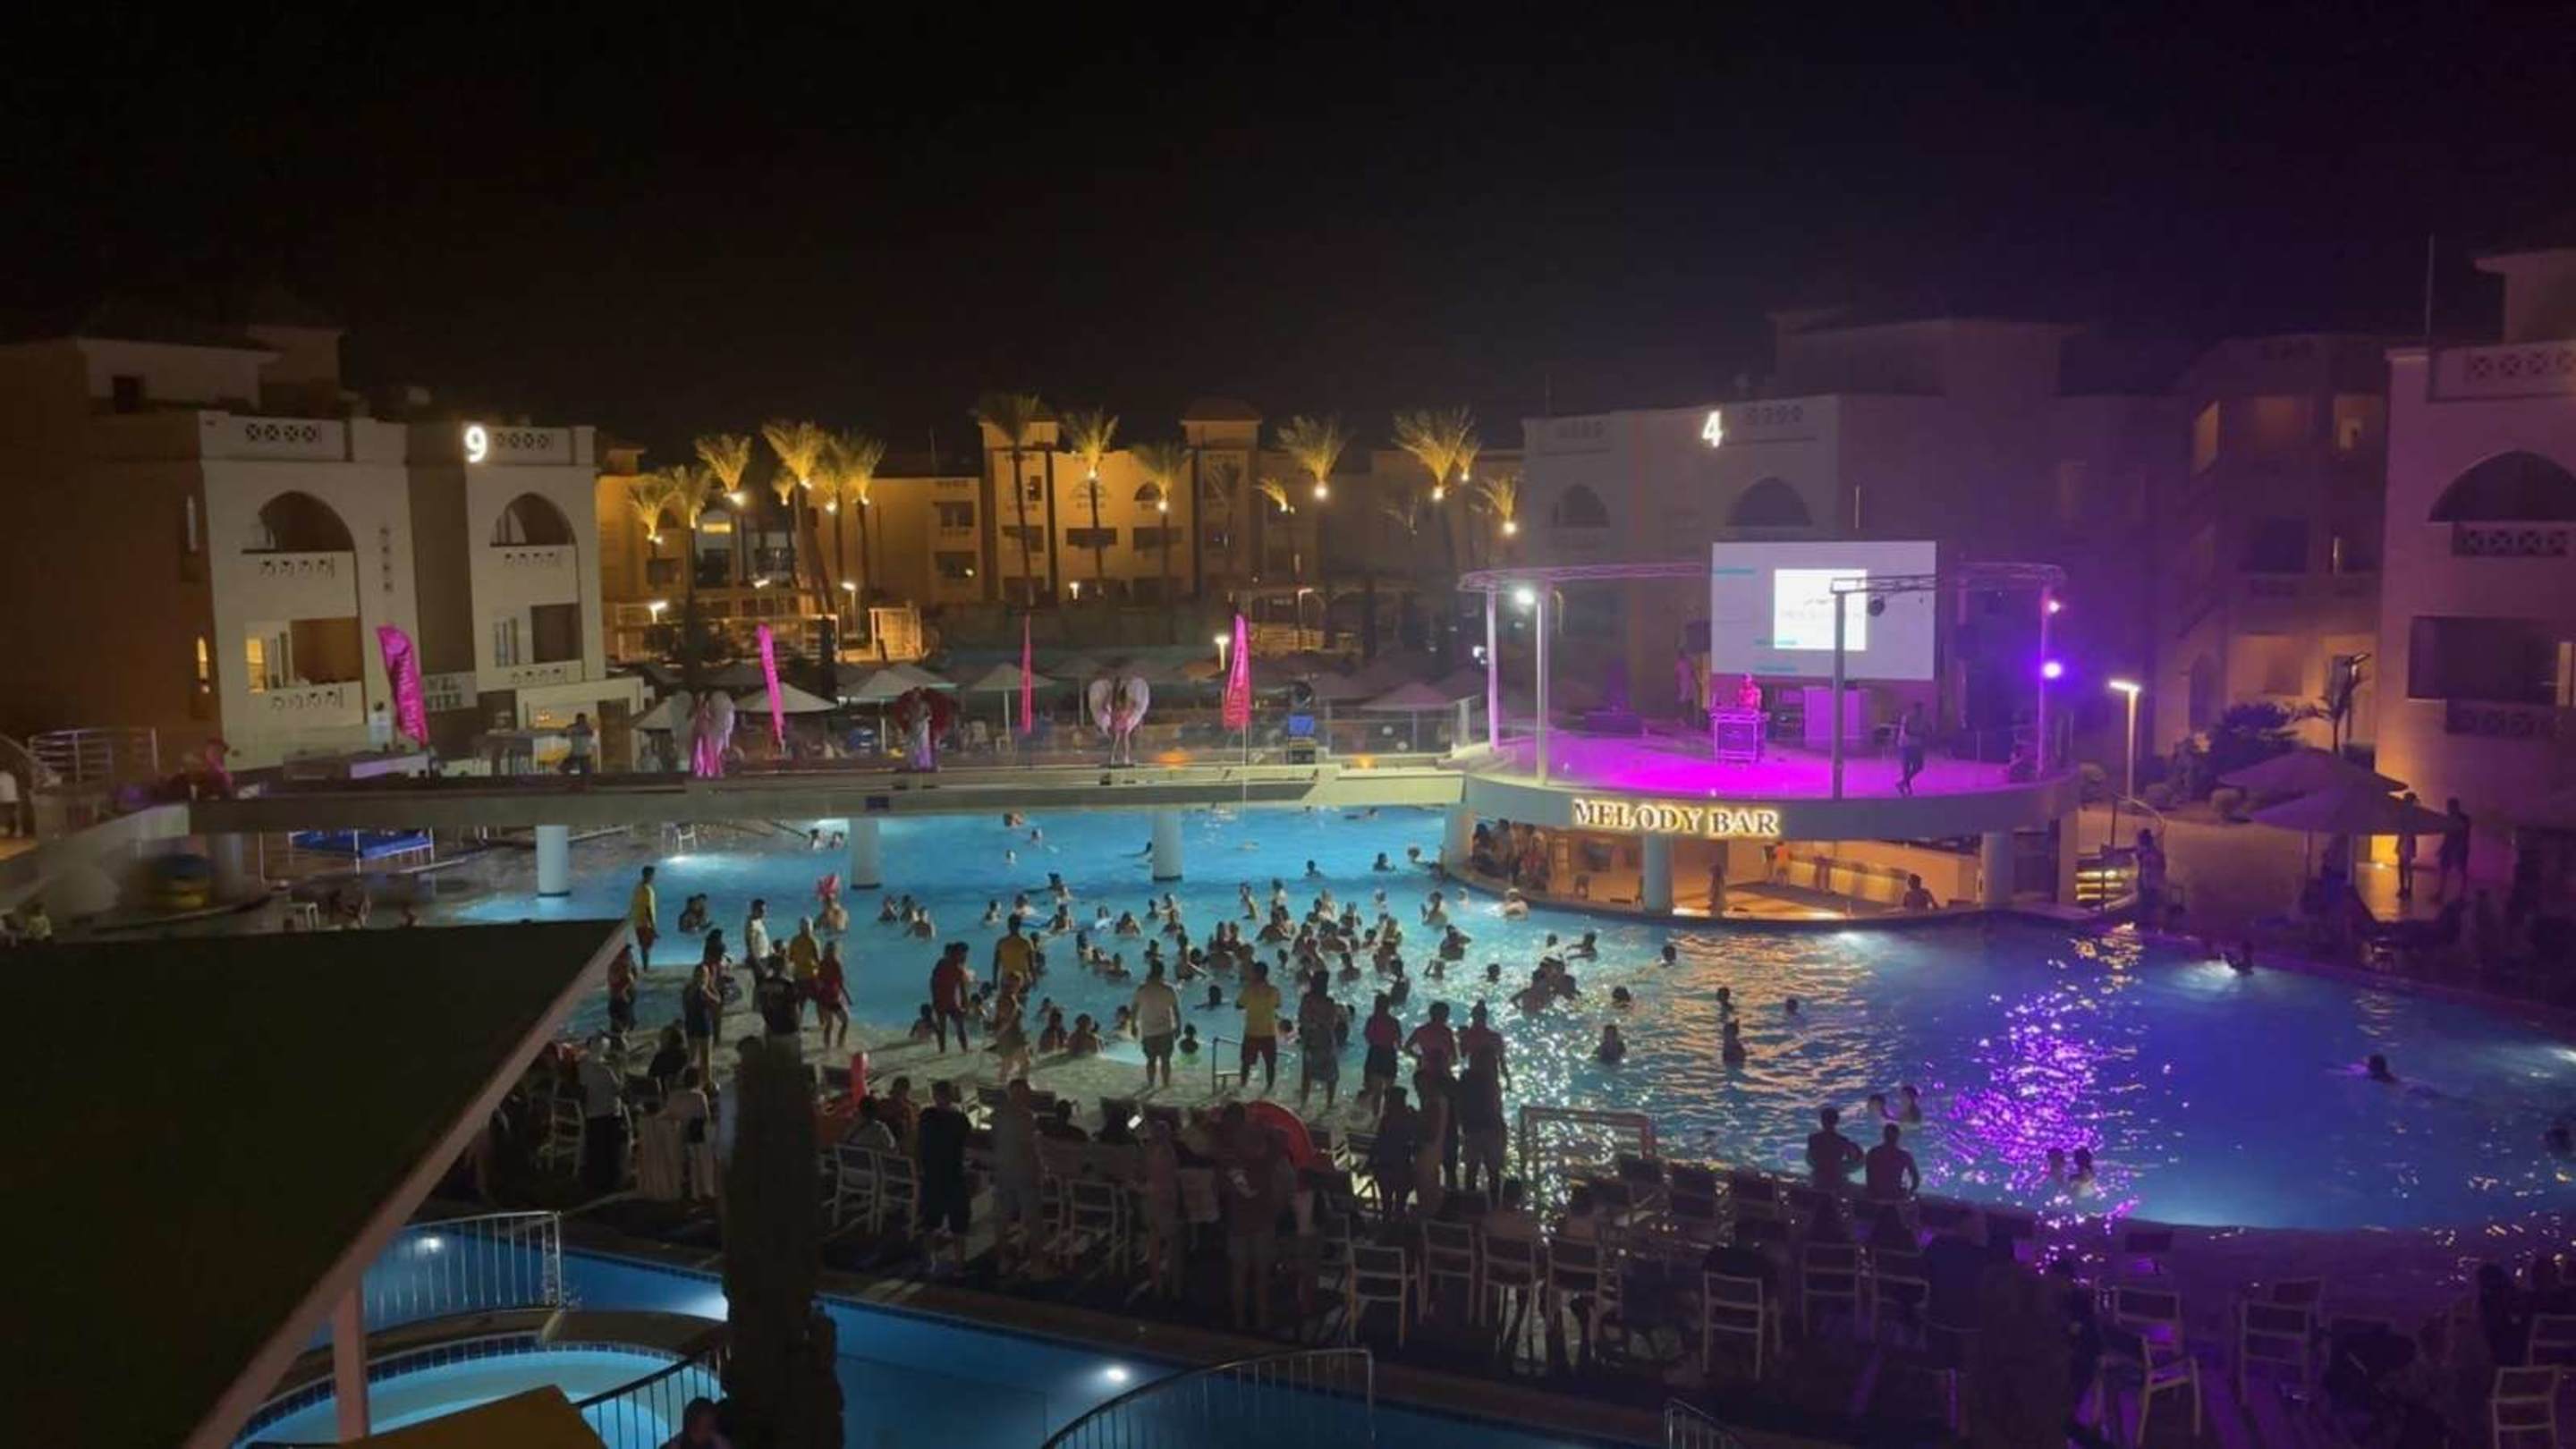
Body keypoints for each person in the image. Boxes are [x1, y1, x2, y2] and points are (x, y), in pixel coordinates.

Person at [989, 1080, 1045, 1276]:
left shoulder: (997, 1115)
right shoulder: (1026, 1117)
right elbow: (1029, 1148)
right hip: (1024, 1173)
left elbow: (994, 1141)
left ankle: (1002, 1260)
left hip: (1003, 1170)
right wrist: (1040, 1170)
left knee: (1002, 1219)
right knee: (1033, 1220)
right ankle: (1037, 1264)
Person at [914, 1079, 970, 1267]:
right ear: (952, 1096)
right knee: (959, 1227)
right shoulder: (960, 1120)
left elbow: (919, 1143)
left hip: (932, 1176)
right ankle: (959, 1265)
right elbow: (966, 1144)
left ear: (934, 1096)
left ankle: (930, 1263)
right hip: (954, 1176)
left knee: (929, 1224)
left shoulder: (926, 1117)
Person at [577, 1036, 627, 1195]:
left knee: (595, 1151)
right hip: (609, 1113)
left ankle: (594, 1181)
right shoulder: (607, 1071)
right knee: (611, 1149)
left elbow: (583, 1089)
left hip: (592, 1113)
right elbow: (619, 1091)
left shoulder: (583, 1066)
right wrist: (620, 1070)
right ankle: (611, 1180)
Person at [1457, 1046, 1508, 1195]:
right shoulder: (1490, 1080)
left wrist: (1461, 1124)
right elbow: (1496, 1107)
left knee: (1472, 1170)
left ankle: (1469, 1200)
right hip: (1490, 1129)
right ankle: (1494, 1202)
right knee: (1492, 1171)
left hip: (1474, 1128)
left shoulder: (1467, 1078)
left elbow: (1460, 1103)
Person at [1131, 959, 1182, 1090]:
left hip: (1148, 1031)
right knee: (1166, 1060)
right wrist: (1178, 1027)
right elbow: (1176, 1010)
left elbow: (1135, 1009)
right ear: (1163, 972)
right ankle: (1165, 1084)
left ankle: (1150, 1084)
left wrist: (1133, 1026)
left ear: (1150, 970)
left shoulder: (1142, 989)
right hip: (1166, 1030)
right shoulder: (1169, 989)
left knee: (1151, 1060)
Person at [1235, 962, 1283, 1093]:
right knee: (1270, 1064)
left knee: (1246, 1063)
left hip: (1251, 1032)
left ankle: (1243, 1087)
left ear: (1255, 973)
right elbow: (1278, 1005)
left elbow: (1238, 1005)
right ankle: (1269, 1089)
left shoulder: (1248, 990)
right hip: (1269, 1032)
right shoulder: (1274, 990)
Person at [1805, 1106, 1862, 1189]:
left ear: (1822, 1120)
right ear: (1836, 1121)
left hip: (1818, 1178)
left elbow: (1811, 1158)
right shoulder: (1843, 1140)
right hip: (1837, 1178)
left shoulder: (1813, 1138)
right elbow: (1852, 1160)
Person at [929, 942, 971, 1051]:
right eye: (963, 954)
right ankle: (964, 1050)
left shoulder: (943, 963)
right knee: (958, 1027)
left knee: (945, 1028)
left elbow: (933, 981)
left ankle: (944, 1051)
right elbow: (962, 990)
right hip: (948, 1002)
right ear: (957, 953)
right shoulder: (955, 968)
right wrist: (966, 1006)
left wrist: (934, 998)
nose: (965, 957)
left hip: (943, 1001)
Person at [1865, 1123, 1919, 1200]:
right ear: (1898, 1137)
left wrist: (1871, 1192)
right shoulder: (1904, 1156)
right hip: (1894, 1195)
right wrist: (1910, 1192)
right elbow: (1916, 1179)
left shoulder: (1873, 1152)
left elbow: (1869, 1176)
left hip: (1876, 1195)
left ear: (1884, 1136)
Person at [813, 942, 851, 1050]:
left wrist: (818, 997)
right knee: (845, 1021)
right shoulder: (836, 964)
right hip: (834, 998)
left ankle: (827, 1048)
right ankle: (840, 1044)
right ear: (835, 951)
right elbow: (840, 982)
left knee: (829, 1025)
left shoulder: (822, 963)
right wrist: (847, 996)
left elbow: (818, 981)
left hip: (824, 998)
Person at [2436, 797, 2473, 902]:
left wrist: (2459, 848)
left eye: (2450, 807)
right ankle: (2441, 893)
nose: (2448, 809)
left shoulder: (2463, 819)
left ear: (2455, 807)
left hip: (2459, 848)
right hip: (2450, 847)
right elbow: (2447, 835)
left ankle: (2461, 895)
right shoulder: (2451, 818)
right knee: (2444, 870)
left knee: (2460, 871)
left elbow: (2464, 836)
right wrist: (2443, 847)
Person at [662, 1395, 731, 1449]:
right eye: (708, 1427)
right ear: (693, 1427)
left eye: (713, 1425)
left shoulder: (720, 1444)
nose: (712, 1431)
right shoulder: (674, 1446)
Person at [628, 866, 659, 969]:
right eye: (652, 875)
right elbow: (648, 908)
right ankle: (646, 967)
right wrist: (652, 925)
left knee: (644, 945)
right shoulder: (647, 890)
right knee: (646, 946)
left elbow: (634, 903)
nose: (653, 877)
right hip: (645, 921)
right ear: (649, 875)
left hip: (638, 920)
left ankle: (645, 966)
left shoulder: (638, 887)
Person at [2395, 792, 2422, 902]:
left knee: (2405, 866)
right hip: (2406, 840)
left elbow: (2407, 829)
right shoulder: (2411, 812)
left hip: (2407, 840)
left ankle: (2406, 888)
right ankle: (2405, 888)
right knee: (2404, 866)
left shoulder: (2410, 813)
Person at [1895, 702, 1927, 797]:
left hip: (1916, 744)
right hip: (1906, 744)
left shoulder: (1922, 719)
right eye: (1919, 709)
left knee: (1919, 766)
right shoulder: (1908, 717)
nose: (1920, 711)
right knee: (1906, 766)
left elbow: (1924, 730)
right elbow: (1906, 730)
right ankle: (1907, 787)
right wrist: (1918, 734)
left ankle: (1903, 783)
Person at [741, 898, 772, 970]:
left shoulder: (759, 920)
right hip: (758, 958)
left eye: (764, 911)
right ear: (754, 910)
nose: (764, 913)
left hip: (764, 956)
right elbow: (749, 943)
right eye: (761, 911)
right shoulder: (751, 924)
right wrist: (756, 961)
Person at [564, 711, 597, 775]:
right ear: (577, 720)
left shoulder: (587, 728)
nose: (581, 722)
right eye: (580, 720)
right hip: (576, 752)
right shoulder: (574, 728)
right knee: (572, 769)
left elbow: (590, 734)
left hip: (584, 753)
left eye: (583, 720)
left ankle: (582, 777)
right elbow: (565, 733)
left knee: (586, 770)